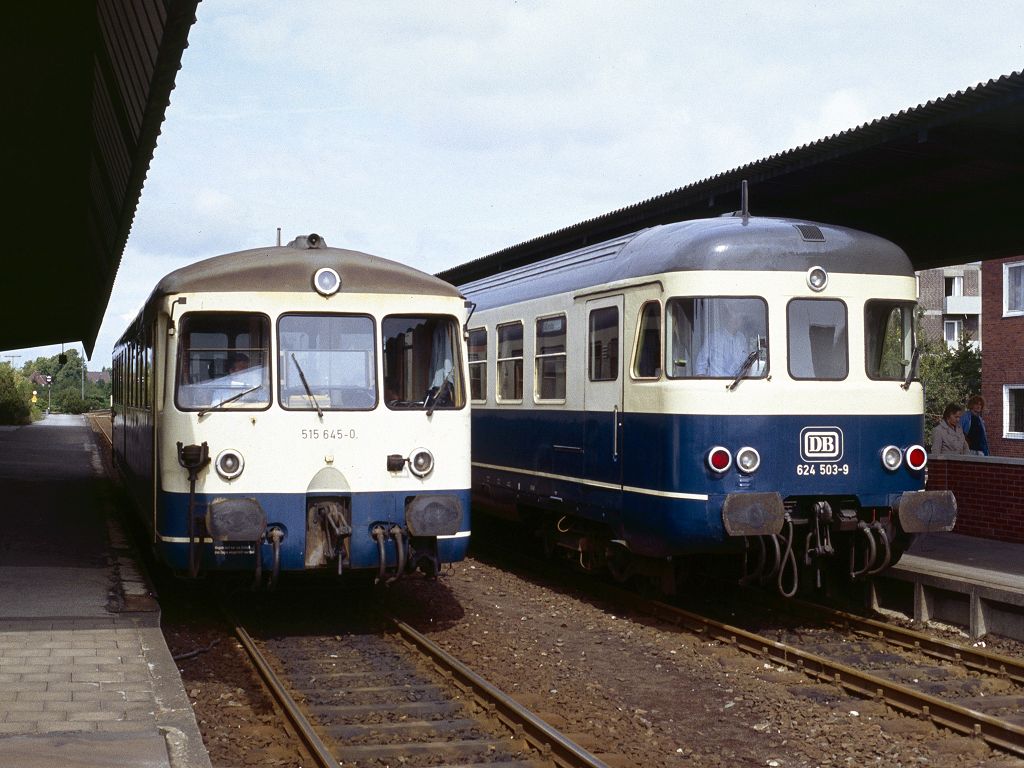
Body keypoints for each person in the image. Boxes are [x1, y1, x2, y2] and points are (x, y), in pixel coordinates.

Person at [695, 312, 750, 376]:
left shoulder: (741, 339)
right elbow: (700, 367)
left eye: (739, 317)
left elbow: (746, 365)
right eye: (733, 316)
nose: (736, 320)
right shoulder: (713, 338)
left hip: (737, 382)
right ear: (727, 319)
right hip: (716, 382)